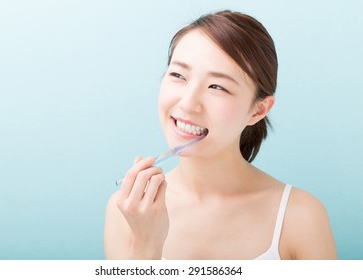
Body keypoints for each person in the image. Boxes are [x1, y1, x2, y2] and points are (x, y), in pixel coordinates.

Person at [104, 10, 337, 260]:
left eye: (217, 86)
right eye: (178, 75)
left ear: (259, 110)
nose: (188, 103)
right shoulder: (127, 210)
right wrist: (146, 242)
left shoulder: (300, 217)